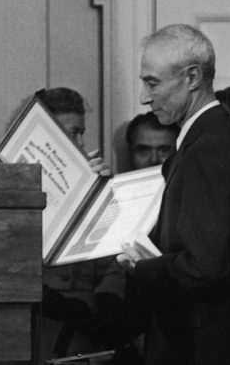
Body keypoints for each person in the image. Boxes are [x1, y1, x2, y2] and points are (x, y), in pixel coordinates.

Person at [116, 24, 230, 365]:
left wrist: (142, 268)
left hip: (201, 346)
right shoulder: (214, 138)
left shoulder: (208, 149)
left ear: (193, 77)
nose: (143, 96)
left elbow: (203, 266)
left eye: (152, 82)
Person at [36, 87, 137, 364]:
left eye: (81, 132)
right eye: (71, 134)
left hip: (92, 324)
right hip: (44, 321)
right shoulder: (21, 188)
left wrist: (109, 299)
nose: (80, 143)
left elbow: (114, 258)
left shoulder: (95, 184)